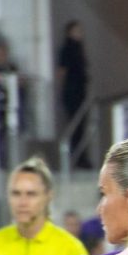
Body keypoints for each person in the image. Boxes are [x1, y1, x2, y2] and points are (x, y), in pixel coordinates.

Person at [57, 21, 89, 168]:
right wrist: (63, 90)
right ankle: (76, 158)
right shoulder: (66, 49)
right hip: (72, 91)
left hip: (80, 91)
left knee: (81, 126)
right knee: (75, 126)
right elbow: (62, 72)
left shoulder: (79, 49)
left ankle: (81, 156)